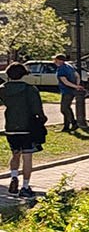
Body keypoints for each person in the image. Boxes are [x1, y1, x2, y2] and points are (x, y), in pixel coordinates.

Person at [1, 63, 45, 197]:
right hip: (27, 126)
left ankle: (14, 177)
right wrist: (42, 119)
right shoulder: (30, 89)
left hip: (10, 126)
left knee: (15, 153)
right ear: (23, 74)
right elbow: (37, 109)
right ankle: (25, 187)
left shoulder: (2, 89)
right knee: (27, 157)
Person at [54, 54, 84, 132]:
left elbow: (65, 81)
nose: (54, 61)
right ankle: (66, 127)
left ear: (59, 60)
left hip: (66, 91)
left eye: (55, 60)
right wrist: (77, 85)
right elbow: (77, 75)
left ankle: (74, 123)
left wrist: (76, 86)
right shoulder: (69, 66)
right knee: (67, 108)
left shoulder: (61, 69)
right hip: (72, 90)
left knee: (64, 109)